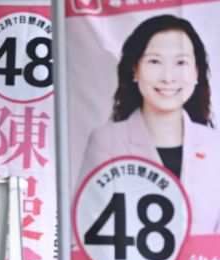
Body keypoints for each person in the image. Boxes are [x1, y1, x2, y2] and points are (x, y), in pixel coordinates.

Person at [80, 14, 220, 234]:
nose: (168, 77)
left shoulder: (215, 146)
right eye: (155, 61)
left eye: (181, 62)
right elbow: (88, 226)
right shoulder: (106, 142)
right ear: (135, 70)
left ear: (196, 73)